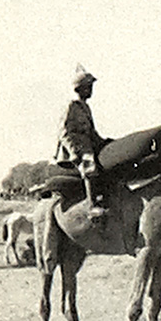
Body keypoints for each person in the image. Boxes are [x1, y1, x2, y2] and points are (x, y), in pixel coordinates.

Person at [54, 64, 108, 216]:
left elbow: (91, 132)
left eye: (91, 87)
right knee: (89, 165)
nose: (91, 90)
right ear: (79, 89)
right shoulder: (71, 106)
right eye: (88, 87)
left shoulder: (85, 107)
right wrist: (74, 151)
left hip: (88, 145)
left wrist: (104, 142)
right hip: (78, 149)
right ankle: (92, 206)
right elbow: (63, 131)